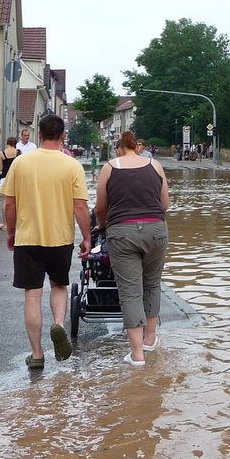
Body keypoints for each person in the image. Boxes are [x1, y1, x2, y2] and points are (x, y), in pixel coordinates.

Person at [0, 114, 91, 370]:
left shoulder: (21, 163)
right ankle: (59, 325)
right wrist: (86, 237)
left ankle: (37, 354)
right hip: (60, 238)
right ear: (63, 136)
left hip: (27, 238)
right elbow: (81, 207)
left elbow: (9, 202)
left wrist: (11, 231)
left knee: (33, 294)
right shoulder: (72, 166)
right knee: (59, 285)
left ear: (38, 135)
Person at [94, 130, 170, 367]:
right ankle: (150, 340)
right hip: (156, 230)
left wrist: (103, 226)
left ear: (118, 149)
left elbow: (100, 208)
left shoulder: (109, 167)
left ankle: (137, 355)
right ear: (136, 147)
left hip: (123, 233)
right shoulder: (155, 165)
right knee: (152, 284)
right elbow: (165, 204)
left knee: (130, 292)